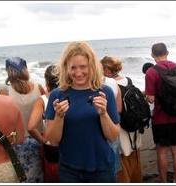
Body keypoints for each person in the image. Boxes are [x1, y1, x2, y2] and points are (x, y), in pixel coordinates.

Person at [44, 41, 120, 182]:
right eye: (73, 68)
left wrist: (103, 114)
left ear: (92, 66)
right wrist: (59, 117)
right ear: (66, 68)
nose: (78, 73)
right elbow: (53, 140)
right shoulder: (57, 95)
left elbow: (113, 136)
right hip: (69, 170)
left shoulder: (105, 92)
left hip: (102, 169)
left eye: (83, 67)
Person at [145, 43, 176, 182]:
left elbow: (150, 98)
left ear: (152, 55)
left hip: (160, 117)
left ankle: (163, 181)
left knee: (162, 151)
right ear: (167, 52)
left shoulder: (151, 72)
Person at [2, 57, 45, 182]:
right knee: (40, 175)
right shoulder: (39, 87)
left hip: (18, 141)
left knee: (22, 177)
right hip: (39, 137)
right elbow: (46, 113)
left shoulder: (4, 92)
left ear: (8, 71)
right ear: (25, 69)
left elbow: (5, 121)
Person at [100, 56, 143, 183]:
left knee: (123, 159)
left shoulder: (110, 84)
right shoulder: (127, 80)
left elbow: (116, 110)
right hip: (134, 125)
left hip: (121, 126)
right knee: (135, 156)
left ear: (107, 70)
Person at [27, 64, 60, 182]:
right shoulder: (71, 95)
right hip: (71, 148)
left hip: (52, 149)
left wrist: (44, 140)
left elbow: (30, 127)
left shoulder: (43, 100)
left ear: (46, 81)